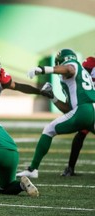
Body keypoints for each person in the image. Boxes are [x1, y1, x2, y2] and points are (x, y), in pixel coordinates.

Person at [16, 48, 95, 178]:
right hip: (91, 111)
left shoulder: (73, 66)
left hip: (83, 110)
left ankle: (32, 169)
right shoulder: (76, 79)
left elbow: (69, 69)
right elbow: (68, 110)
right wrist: (52, 97)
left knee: (48, 129)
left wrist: (42, 69)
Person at [60, 56, 95, 176]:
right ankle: (70, 167)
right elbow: (80, 77)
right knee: (81, 133)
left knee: (81, 134)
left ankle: (70, 168)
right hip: (90, 103)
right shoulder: (90, 62)